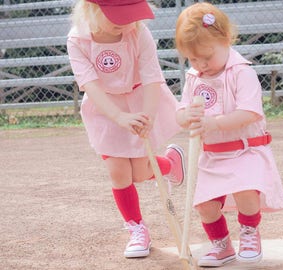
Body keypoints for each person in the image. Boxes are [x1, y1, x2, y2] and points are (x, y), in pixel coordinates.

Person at [67, 0, 185, 259]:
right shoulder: (77, 39)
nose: (127, 21)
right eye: (118, 16)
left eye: (131, 15)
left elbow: (153, 77)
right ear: (92, 11)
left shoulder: (139, 32)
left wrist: (148, 117)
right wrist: (119, 116)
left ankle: (170, 164)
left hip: (142, 100)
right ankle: (137, 229)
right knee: (119, 172)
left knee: (141, 173)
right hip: (105, 108)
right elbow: (90, 84)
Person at [175, 2, 283, 268]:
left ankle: (249, 233)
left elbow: (250, 113)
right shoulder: (194, 77)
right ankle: (221, 244)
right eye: (193, 59)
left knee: (246, 193)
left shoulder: (242, 72)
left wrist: (214, 123)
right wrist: (184, 117)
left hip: (245, 149)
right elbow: (180, 111)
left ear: (225, 40)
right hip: (213, 155)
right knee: (204, 204)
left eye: (207, 56)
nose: (201, 65)